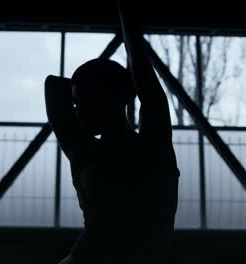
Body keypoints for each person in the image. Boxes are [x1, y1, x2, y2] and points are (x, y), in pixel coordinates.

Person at [45, 2, 179, 263]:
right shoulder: (152, 148)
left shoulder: (85, 153)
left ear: (115, 97)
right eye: (76, 103)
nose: (78, 111)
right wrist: (91, 84)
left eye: (87, 100)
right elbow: (53, 86)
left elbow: (53, 88)